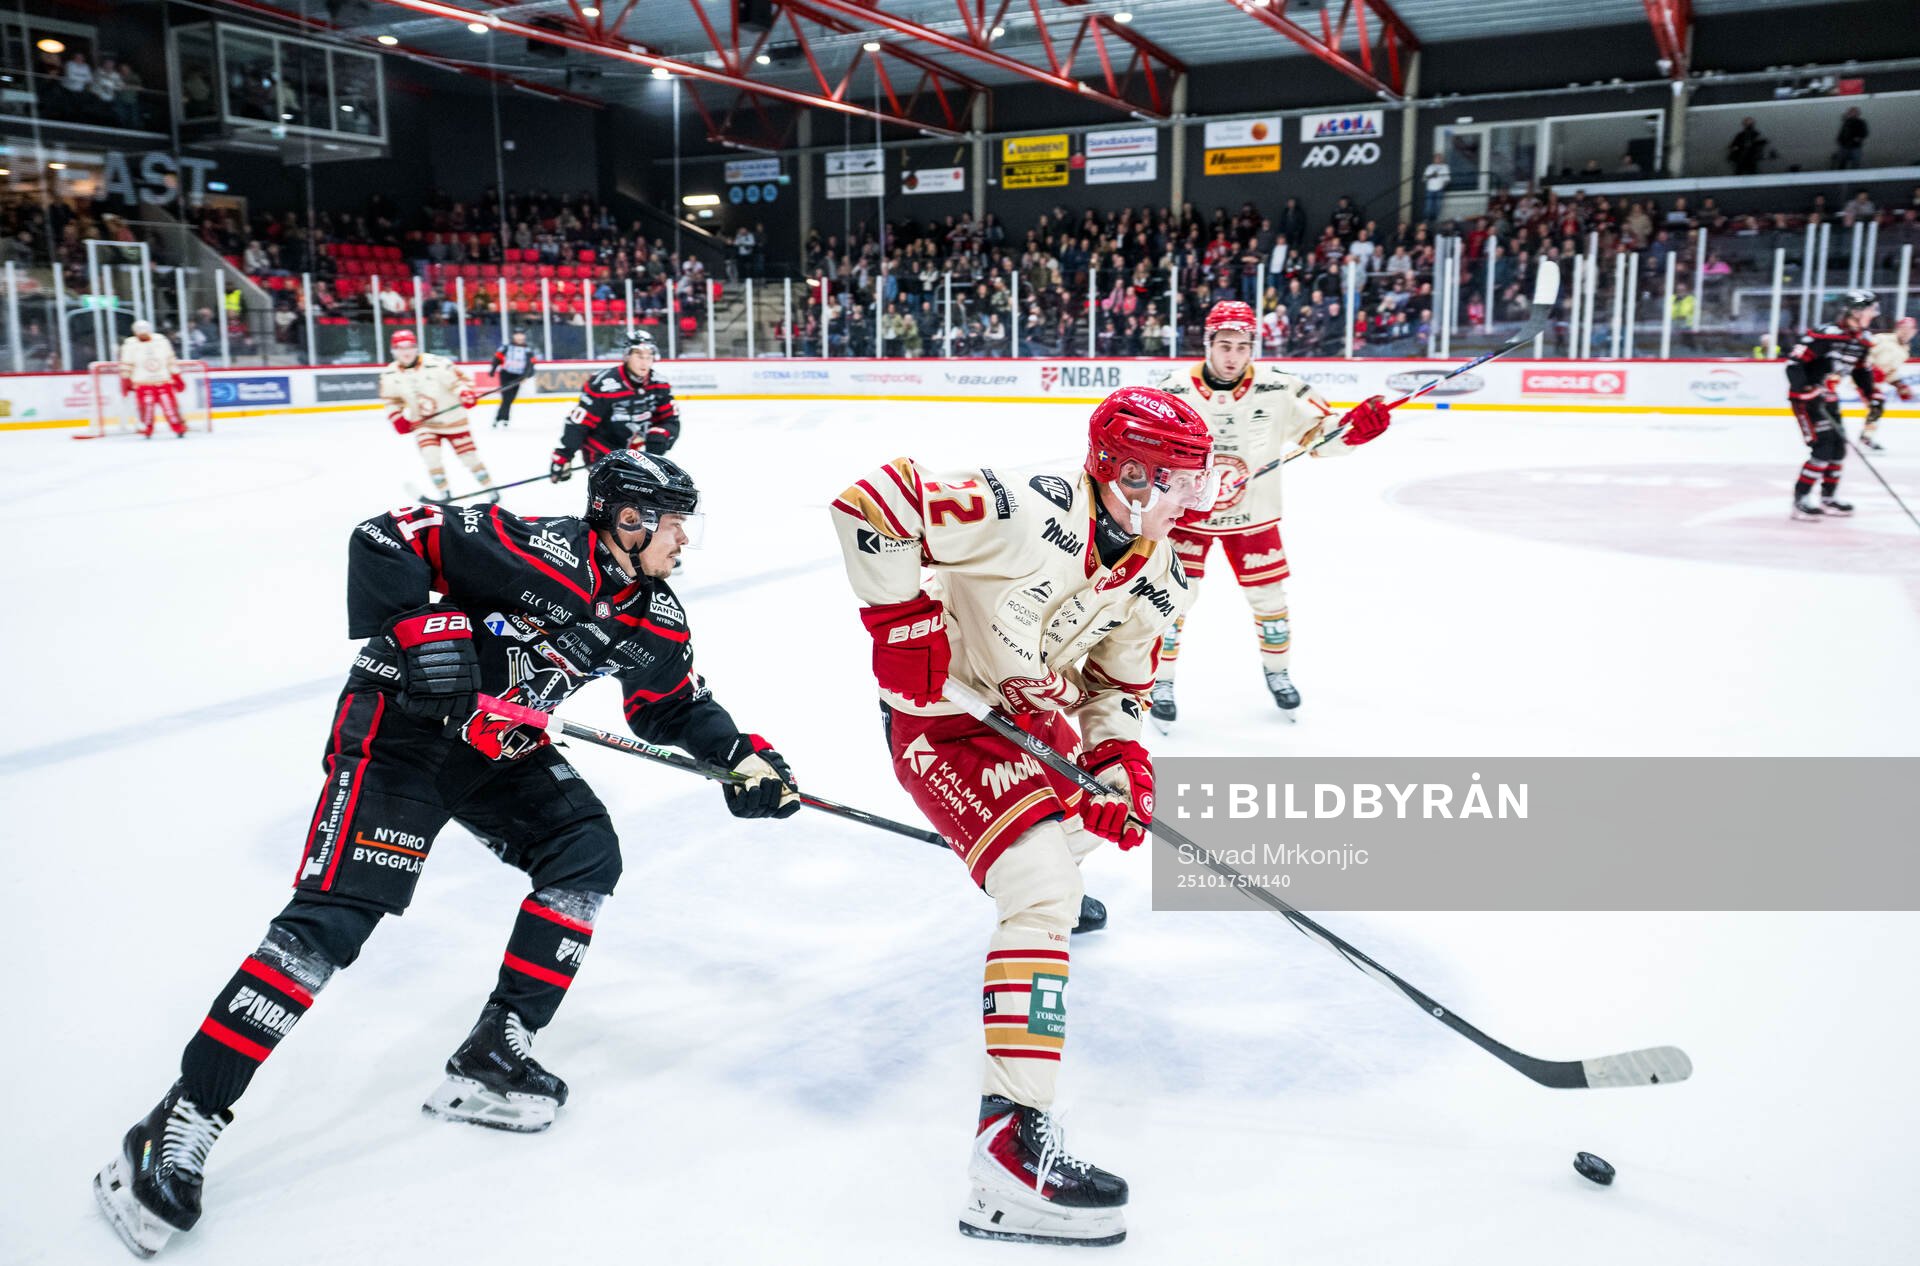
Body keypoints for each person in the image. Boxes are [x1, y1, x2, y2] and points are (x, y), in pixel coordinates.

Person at [92, 452, 801, 1258]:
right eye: (673, 522)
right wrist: (426, 635)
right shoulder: (531, 547)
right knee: (333, 923)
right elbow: (383, 537)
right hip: (402, 734)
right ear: (626, 518)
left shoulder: (655, 617)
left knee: (583, 851)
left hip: (497, 748)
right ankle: (179, 1120)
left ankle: (493, 1053)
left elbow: (672, 704)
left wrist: (737, 757)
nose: (684, 540)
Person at [831, 387, 1220, 1246]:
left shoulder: (1163, 575)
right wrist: (900, 620)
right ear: (1125, 476)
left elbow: (1119, 688)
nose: (1197, 497)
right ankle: (1007, 1154)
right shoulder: (1027, 506)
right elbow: (876, 499)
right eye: (1182, 481)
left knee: (1078, 825)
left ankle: (1036, 860)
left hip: (1024, 725)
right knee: (1041, 884)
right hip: (943, 721)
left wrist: (1120, 755)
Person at [1148, 301, 1392, 722]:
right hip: (1188, 518)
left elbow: (1320, 438)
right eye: (1224, 345)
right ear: (1207, 344)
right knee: (1172, 601)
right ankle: (1161, 680)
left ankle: (1278, 674)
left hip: (1253, 517)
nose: (1232, 356)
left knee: (1269, 600)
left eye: (1242, 347)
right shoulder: (1171, 389)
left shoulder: (1281, 387)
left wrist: (1355, 432)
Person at [1786, 290, 1881, 519]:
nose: (1874, 314)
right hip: (1806, 401)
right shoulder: (1824, 335)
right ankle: (1801, 501)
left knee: (1838, 449)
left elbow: (1861, 371)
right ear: (1855, 312)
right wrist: (1807, 389)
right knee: (1823, 447)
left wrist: (1873, 397)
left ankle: (1828, 498)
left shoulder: (1863, 340)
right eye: (1870, 310)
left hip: (1829, 399)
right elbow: (1794, 364)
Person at [379, 330, 495, 504]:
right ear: (393, 350)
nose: (406, 351)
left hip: (453, 420)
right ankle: (444, 492)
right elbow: (391, 400)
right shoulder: (389, 374)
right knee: (430, 456)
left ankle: (489, 487)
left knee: (469, 457)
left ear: (416, 347)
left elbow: (461, 381)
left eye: (409, 346)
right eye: (400, 347)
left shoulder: (437, 363)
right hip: (424, 424)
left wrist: (465, 393)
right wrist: (397, 417)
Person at [550, 332, 679, 483]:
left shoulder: (659, 383)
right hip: (602, 451)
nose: (644, 362)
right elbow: (579, 423)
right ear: (627, 356)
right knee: (618, 497)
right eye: (638, 355)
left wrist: (661, 436)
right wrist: (563, 456)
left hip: (636, 454)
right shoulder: (604, 384)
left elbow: (671, 420)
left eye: (649, 356)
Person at [117, 318, 188, 439]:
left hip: (163, 382)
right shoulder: (130, 345)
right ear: (135, 332)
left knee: (170, 408)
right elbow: (126, 365)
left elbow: (170, 360)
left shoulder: (161, 341)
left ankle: (178, 428)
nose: (143, 334)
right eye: (140, 331)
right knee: (146, 410)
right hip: (143, 384)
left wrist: (177, 376)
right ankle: (147, 429)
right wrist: (125, 380)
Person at [1862, 314, 1915, 451]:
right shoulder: (1882, 339)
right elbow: (1862, 350)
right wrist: (1868, 367)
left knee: (1877, 405)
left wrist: (1899, 385)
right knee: (1876, 403)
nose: (1906, 332)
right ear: (1897, 328)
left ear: (1914, 332)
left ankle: (1866, 436)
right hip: (1861, 376)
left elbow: (1890, 373)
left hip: (1874, 381)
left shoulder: (1904, 351)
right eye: (1903, 328)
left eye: (1909, 329)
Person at [490, 327, 537, 428]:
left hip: (518, 377)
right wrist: (493, 370)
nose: (519, 336)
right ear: (514, 336)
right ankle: (502, 419)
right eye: (517, 334)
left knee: (511, 398)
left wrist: (526, 376)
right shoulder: (506, 347)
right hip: (506, 374)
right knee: (506, 397)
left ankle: (500, 418)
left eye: (521, 334)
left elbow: (531, 364)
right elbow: (497, 358)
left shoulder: (528, 350)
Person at [1422, 152, 1449, 222]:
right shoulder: (1430, 167)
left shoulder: (1445, 167)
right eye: (1436, 158)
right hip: (1430, 189)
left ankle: (1435, 220)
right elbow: (1424, 178)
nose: (1438, 159)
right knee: (1428, 206)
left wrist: (1443, 187)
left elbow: (1447, 179)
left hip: (1440, 189)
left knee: (1438, 206)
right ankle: (1427, 220)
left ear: (1441, 159)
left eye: (1439, 158)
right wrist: (1432, 175)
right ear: (1433, 159)